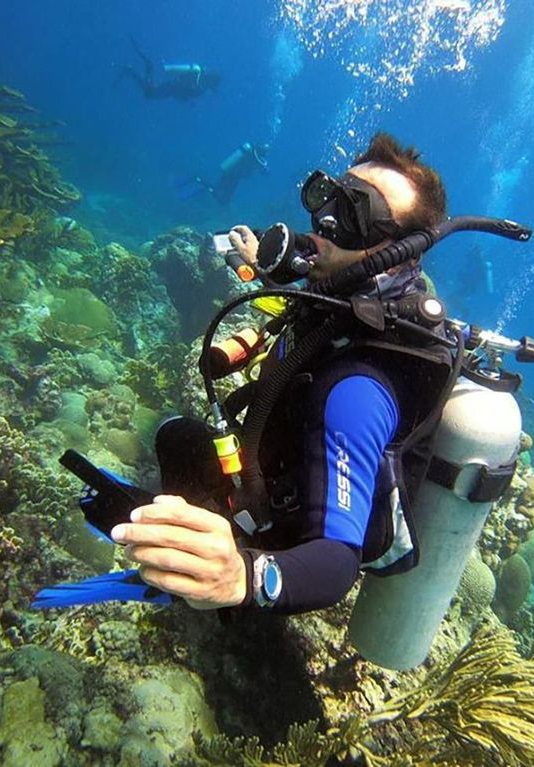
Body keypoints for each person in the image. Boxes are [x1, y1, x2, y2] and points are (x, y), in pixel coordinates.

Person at [111, 133, 451, 614]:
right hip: (276, 471)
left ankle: (208, 601)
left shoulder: (357, 391)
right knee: (174, 435)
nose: (326, 221)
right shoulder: (337, 303)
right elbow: (309, 306)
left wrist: (241, 576)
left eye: (356, 214)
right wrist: (258, 269)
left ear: (399, 252)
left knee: (177, 437)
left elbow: (336, 564)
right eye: (330, 196)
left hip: (287, 538)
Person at [118, 38, 220, 102]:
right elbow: (179, 78)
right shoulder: (197, 73)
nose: (210, 87)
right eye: (212, 84)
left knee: (149, 93)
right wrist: (168, 69)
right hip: (169, 87)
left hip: (169, 90)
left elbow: (182, 93)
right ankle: (145, 65)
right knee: (149, 93)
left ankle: (132, 70)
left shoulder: (200, 90)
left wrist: (186, 101)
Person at [179, 141, 270, 204]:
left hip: (231, 174)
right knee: (223, 198)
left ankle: (199, 182)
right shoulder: (255, 158)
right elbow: (260, 166)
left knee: (220, 194)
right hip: (232, 176)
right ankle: (199, 182)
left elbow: (258, 167)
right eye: (265, 152)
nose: (265, 155)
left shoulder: (252, 155)